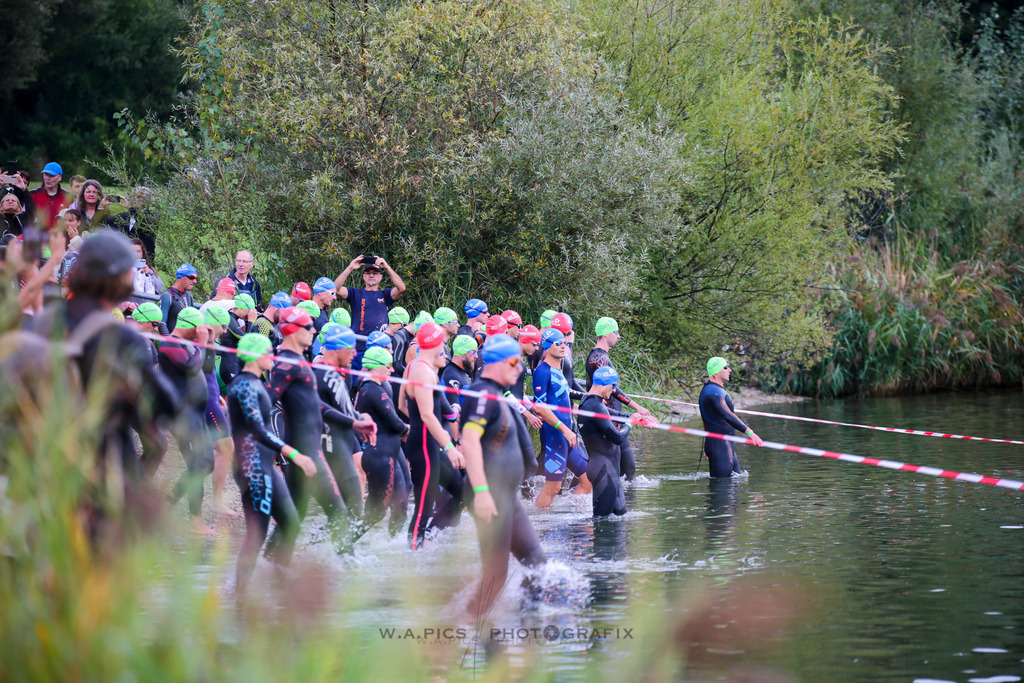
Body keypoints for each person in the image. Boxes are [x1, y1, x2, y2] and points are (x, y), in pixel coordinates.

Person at [25, 230, 179, 521]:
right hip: (103, 468)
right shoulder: (121, 338)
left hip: (48, 463)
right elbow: (165, 405)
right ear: (118, 279)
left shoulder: (43, 323)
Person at [459, 334, 546, 616]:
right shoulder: (483, 394)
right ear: (495, 363)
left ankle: (527, 624)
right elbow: (469, 440)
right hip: (490, 495)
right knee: (495, 574)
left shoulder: (497, 394)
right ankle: (462, 631)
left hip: (506, 497)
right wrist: (482, 492)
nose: (520, 368)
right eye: (514, 362)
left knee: (537, 562)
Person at [226, 333, 317, 600]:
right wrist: (294, 454)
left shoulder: (256, 383)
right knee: (256, 535)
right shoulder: (243, 386)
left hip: (265, 466)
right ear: (255, 355)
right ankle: (239, 597)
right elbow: (256, 428)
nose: (273, 356)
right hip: (252, 468)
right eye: (268, 351)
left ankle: (274, 579)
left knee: (290, 522)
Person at [265, 307, 353, 553]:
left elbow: (314, 403)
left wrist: (354, 423)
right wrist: (280, 450)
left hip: (304, 450)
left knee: (293, 519)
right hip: (304, 452)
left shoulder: (297, 360)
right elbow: (263, 404)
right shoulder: (286, 364)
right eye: (308, 327)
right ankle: (351, 568)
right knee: (338, 512)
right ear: (293, 330)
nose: (314, 330)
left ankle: (270, 569)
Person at [399, 322, 464, 549]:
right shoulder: (425, 373)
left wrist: (417, 428)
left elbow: (403, 405)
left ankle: (430, 538)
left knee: (460, 490)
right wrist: (450, 447)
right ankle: (413, 554)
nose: (445, 349)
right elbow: (428, 415)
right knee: (423, 508)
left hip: (426, 442)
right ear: (437, 343)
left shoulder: (412, 367)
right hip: (426, 447)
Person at [158, 306, 216, 535]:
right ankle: (195, 521)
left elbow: (208, 367)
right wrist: (200, 343)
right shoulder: (170, 344)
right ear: (190, 326)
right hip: (182, 415)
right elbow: (192, 367)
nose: (200, 331)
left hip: (196, 414)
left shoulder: (189, 344)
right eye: (198, 328)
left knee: (206, 463)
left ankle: (167, 504)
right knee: (197, 464)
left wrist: (208, 343)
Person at [313, 324, 378, 520]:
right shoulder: (328, 376)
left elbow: (339, 410)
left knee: (341, 513)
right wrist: (360, 420)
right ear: (339, 349)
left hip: (335, 445)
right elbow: (336, 412)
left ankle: (319, 548)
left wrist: (359, 419)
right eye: (351, 349)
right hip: (331, 449)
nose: (355, 354)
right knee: (350, 511)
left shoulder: (324, 373)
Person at [584, 316, 652, 480]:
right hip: (607, 419)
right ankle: (581, 494)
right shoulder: (599, 358)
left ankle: (624, 502)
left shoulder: (602, 356)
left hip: (615, 417)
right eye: (616, 332)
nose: (619, 336)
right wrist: (637, 407)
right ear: (606, 334)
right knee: (619, 468)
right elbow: (611, 389)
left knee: (628, 469)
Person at [532, 328, 591, 507]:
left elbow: (559, 399)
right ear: (547, 347)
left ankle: (567, 516)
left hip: (567, 436)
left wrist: (574, 409)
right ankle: (539, 526)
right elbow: (540, 407)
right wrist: (566, 430)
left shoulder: (559, 369)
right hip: (555, 437)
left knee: (588, 481)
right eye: (558, 343)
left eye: (565, 342)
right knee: (553, 488)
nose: (563, 346)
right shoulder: (542, 372)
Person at [354, 346, 411, 536]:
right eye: (388, 365)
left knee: (402, 502)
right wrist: (412, 429)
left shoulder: (371, 388)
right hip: (380, 458)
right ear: (377, 367)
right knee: (376, 513)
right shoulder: (373, 391)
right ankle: (341, 542)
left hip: (387, 456)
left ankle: (395, 545)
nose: (392, 369)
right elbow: (394, 422)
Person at [579, 367, 635, 517]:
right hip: (603, 471)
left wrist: (638, 417)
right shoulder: (594, 405)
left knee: (620, 518)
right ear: (604, 384)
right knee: (602, 523)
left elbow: (614, 414)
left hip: (610, 471)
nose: (614, 390)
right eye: (613, 386)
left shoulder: (592, 401)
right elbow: (617, 437)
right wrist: (629, 424)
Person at [334, 254, 407, 369]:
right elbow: (335, 289)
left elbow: (401, 288)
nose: (371, 275)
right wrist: (350, 267)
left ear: (381, 277)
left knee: (377, 381)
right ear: (363, 276)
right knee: (357, 384)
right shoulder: (355, 294)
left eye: (375, 273)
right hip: (359, 348)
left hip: (379, 348)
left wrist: (387, 267)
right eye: (368, 273)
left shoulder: (385, 295)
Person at [698, 357, 763, 478]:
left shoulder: (715, 390)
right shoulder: (713, 392)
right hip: (719, 444)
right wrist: (750, 433)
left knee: (734, 483)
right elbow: (726, 415)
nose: (730, 370)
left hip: (723, 444)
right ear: (716, 372)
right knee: (723, 488)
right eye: (726, 367)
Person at [202, 305, 238, 518]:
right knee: (225, 448)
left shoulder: (209, 341)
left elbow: (208, 374)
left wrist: (216, 396)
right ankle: (215, 501)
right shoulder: (203, 340)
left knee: (222, 449)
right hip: (207, 403)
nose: (225, 330)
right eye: (224, 325)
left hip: (212, 400)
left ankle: (215, 500)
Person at [106, 187, 157, 256]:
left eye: (139, 197)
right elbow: (102, 224)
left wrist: (131, 208)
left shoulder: (152, 218)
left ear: (147, 200)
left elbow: (143, 223)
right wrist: (102, 206)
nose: (134, 199)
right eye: (133, 196)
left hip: (144, 262)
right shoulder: (123, 216)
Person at [29, 162, 72, 229]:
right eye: (46, 174)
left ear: (59, 178)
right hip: (39, 236)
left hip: (60, 236)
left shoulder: (68, 197)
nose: (48, 178)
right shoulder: (32, 195)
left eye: (52, 175)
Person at [159, 263, 198, 331]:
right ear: (181, 277)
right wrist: (169, 341)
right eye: (191, 278)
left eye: (195, 278)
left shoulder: (189, 296)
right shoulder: (167, 296)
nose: (195, 281)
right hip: (172, 340)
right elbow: (161, 324)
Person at [442, 334, 478, 406]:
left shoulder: (463, 373)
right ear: (461, 353)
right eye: (473, 352)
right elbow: (452, 411)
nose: (476, 356)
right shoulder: (451, 376)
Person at [129, 238, 164, 304]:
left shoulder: (150, 269)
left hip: (147, 309)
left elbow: (160, 289)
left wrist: (150, 273)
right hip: (129, 308)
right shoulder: (122, 269)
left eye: (138, 251)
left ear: (142, 253)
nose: (135, 254)